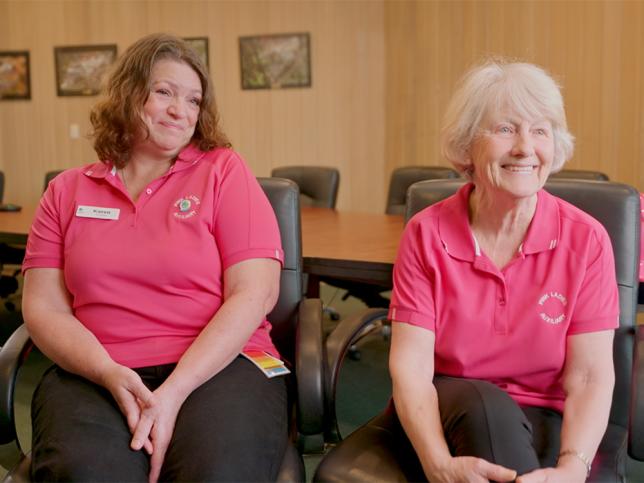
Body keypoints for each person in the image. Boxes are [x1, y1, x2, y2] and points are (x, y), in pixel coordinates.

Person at [22, 33, 287, 482]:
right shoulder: (65, 191)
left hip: (222, 363)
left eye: (193, 100)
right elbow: (43, 306)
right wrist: (107, 372)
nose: (180, 111)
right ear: (128, 95)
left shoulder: (222, 170)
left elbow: (254, 293)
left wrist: (173, 392)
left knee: (218, 472)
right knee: (84, 473)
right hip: (98, 365)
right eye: (164, 92)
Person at [389, 60, 617, 482]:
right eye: (506, 129)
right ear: (465, 147)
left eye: (540, 130)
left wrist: (570, 468)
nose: (524, 148)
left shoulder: (587, 240)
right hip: (448, 407)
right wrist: (437, 463)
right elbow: (411, 368)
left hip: (546, 414)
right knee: (482, 404)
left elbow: (589, 375)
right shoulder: (426, 233)